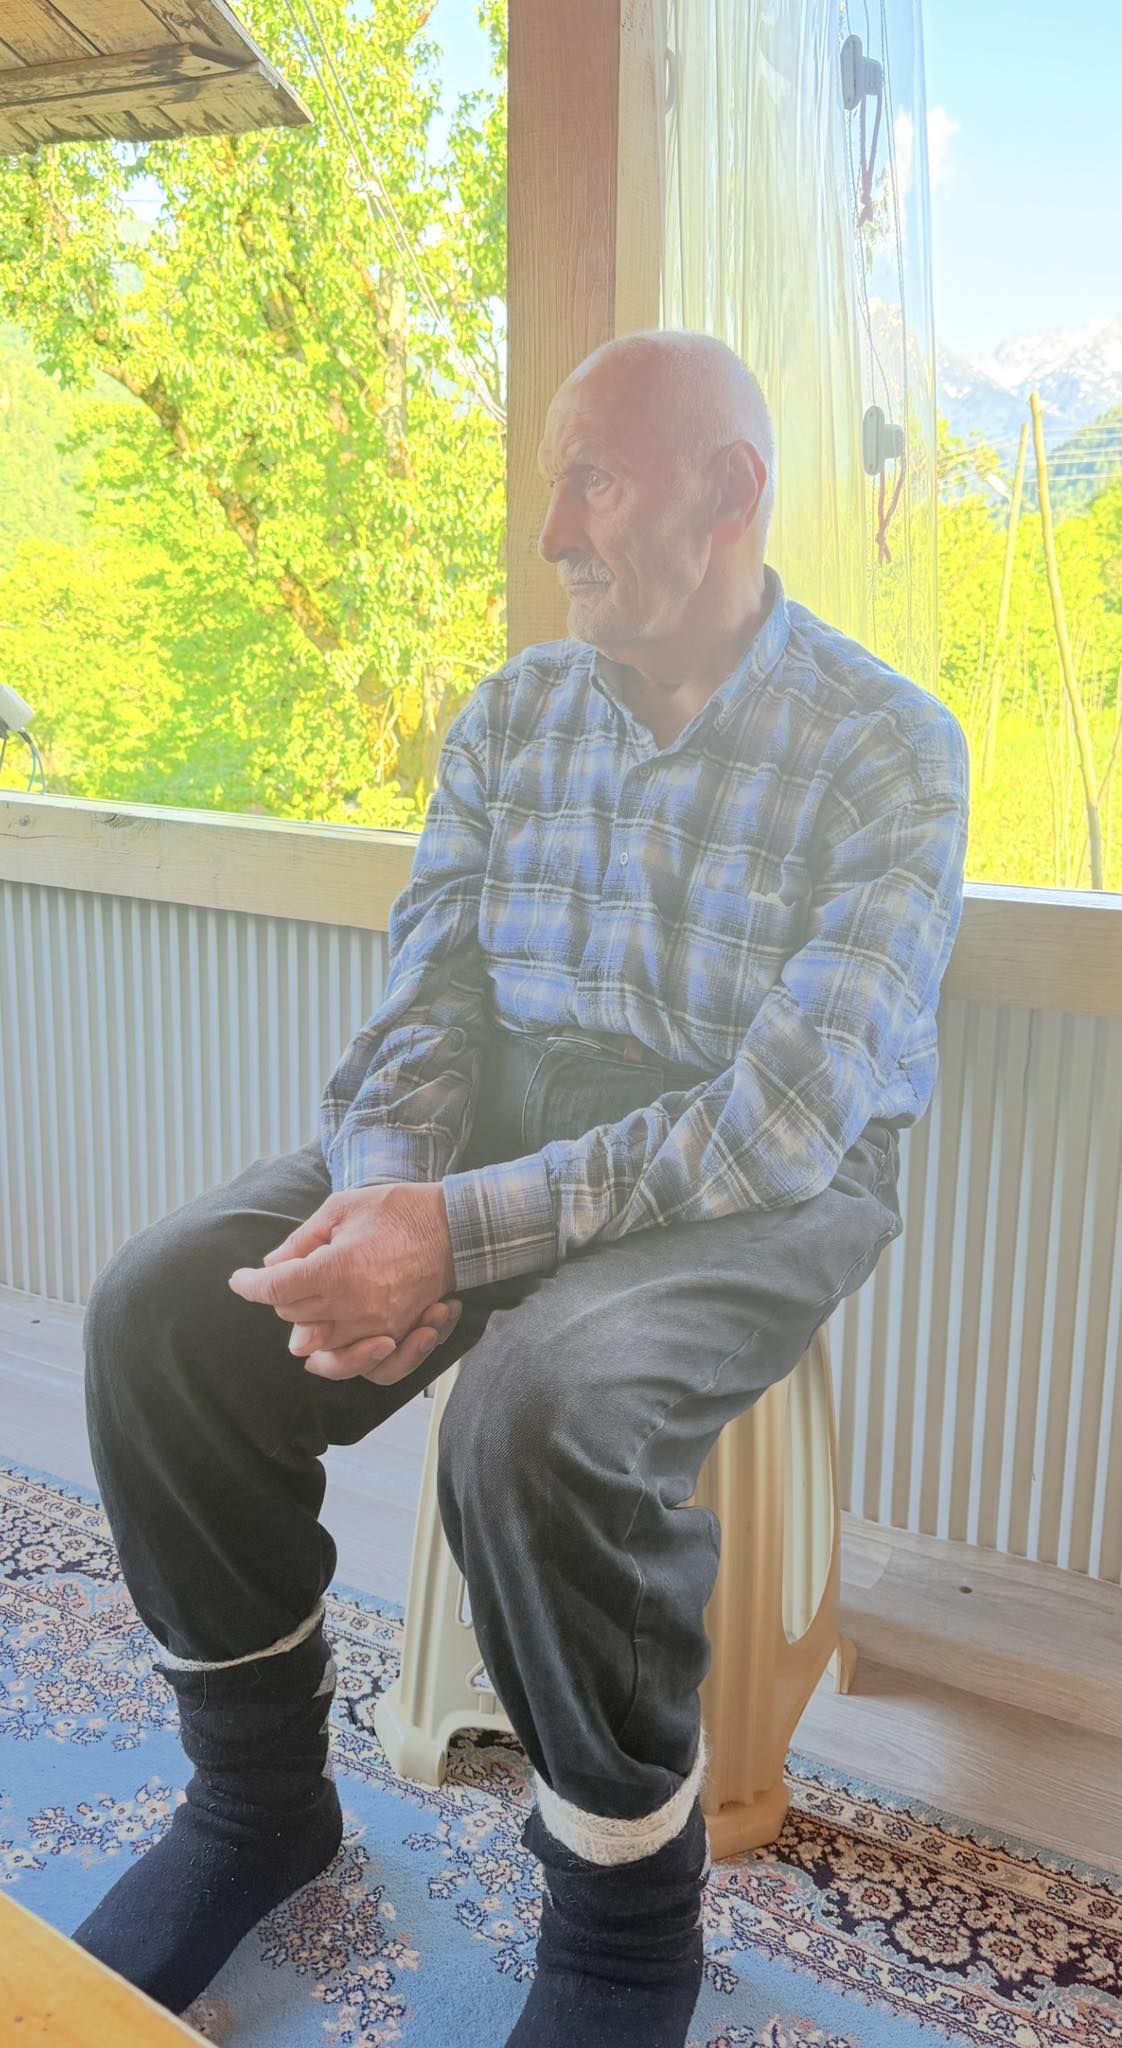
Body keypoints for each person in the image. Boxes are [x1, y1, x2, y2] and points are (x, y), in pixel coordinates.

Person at [74, 329, 969, 2047]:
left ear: (727, 492)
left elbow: (780, 1120)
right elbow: (428, 1000)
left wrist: (450, 1235)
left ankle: (625, 1926)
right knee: (162, 1315)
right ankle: (256, 1806)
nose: (552, 527)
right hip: (496, 1119)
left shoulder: (889, 747)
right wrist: (386, 1193)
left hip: (763, 1174)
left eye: (595, 481)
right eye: (552, 481)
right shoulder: (512, 715)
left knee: (535, 1414)